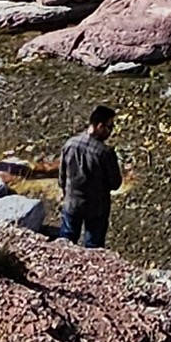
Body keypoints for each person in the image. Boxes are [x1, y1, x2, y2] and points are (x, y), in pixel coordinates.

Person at [56, 106, 126, 248]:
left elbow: (61, 177)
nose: (111, 131)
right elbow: (115, 183)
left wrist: (66, 193)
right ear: (100, 126)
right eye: (110, 126)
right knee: (93, 247)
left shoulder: (70, 144)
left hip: (71, 203)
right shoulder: (105, 153)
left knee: (65, 243)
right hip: (96, 208)